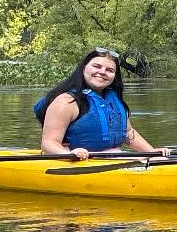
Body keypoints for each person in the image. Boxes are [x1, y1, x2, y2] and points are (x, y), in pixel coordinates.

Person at [35, 47, 170, 160]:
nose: (102, 72)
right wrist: (69, 154)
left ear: (114, 76)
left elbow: (128, 133)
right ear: (84, 68)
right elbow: (48, 143)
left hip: (110, 158)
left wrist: (152, 153)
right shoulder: (65, 101)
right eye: (96, 66)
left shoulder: (114, 100)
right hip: (72, 161)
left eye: (109, 70)